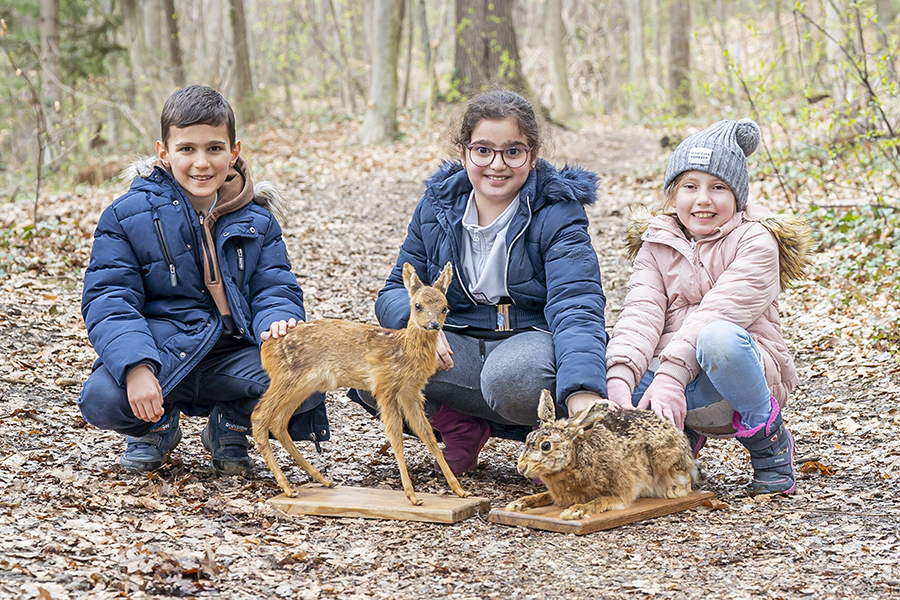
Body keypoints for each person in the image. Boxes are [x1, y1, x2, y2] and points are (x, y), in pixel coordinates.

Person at [350, 90, 608, 474]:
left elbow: (577, 303)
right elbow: (394, 289)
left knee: (510, 378)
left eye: (513, 151)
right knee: (366, 361)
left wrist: (583, 390)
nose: (497, 165)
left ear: (533, 155)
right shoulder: (437, 206)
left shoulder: (558, 212)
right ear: (463, 152)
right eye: (483, 150)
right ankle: (459, 427)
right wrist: (424, 326)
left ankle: (552, 445)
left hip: (531, 339)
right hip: (461, 342)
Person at [78, 85, 328, 475]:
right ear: (164, 153)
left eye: (214, 148)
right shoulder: (127, 215)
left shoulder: (258, 220)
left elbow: (274, 285)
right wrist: (136, 367)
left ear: (234, 151)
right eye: (187, 149)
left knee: (308, 382)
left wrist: (277, 318)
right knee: (103, 397)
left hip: (233, 353)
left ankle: (229, 423)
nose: (201, 163)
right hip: (163, 353)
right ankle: (155, 425)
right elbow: (109, 299)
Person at [605, 118, 811, 495]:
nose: (703, 199)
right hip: (675, 379)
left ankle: (769, 443)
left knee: (718, 337)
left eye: (718, 187)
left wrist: (670, 376)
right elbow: (640, 313)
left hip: (736, 378)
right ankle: (679, 438)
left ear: (738, 197)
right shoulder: (656, 243)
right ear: (672, 195)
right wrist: (618, 378)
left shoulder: (756, 241)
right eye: (690, 186)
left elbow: (719, 311)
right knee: (616, 387)